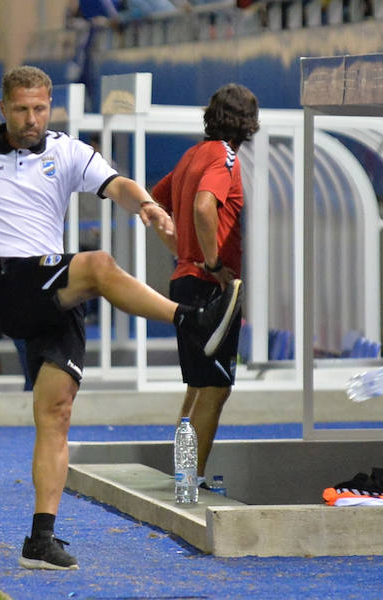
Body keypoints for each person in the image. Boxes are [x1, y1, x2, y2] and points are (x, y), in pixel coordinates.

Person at [0, 66, 242, 570]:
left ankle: (40, 541)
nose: (32, 119)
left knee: (56, 415)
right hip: (5, 285)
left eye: (40, 109)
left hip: (53, 295)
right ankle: (191, 320)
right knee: (96, 264)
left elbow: (116, 184)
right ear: (3, 108)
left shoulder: (66, 150)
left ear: (51, 107)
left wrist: (150, 207)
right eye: (22, 109)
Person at [151, 83, 259, 490]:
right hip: (207, 286)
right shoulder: (223, 157)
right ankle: (187, 479)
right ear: (248, 123)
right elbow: (202, 206)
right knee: (215, 388)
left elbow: (156, 202)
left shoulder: (192, 155)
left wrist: (180, 249)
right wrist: (211, 262)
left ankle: (181, 474)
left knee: (198, 385)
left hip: (185, 280)